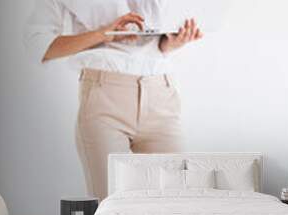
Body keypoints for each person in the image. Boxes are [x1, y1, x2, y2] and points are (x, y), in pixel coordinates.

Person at [24, 0, 202, 201]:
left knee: (176, 203)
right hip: (105, 97)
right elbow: (38, 44)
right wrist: (103, 33)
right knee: (112, 207)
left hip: (161, 93)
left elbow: (156, 41)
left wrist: (170, 42)